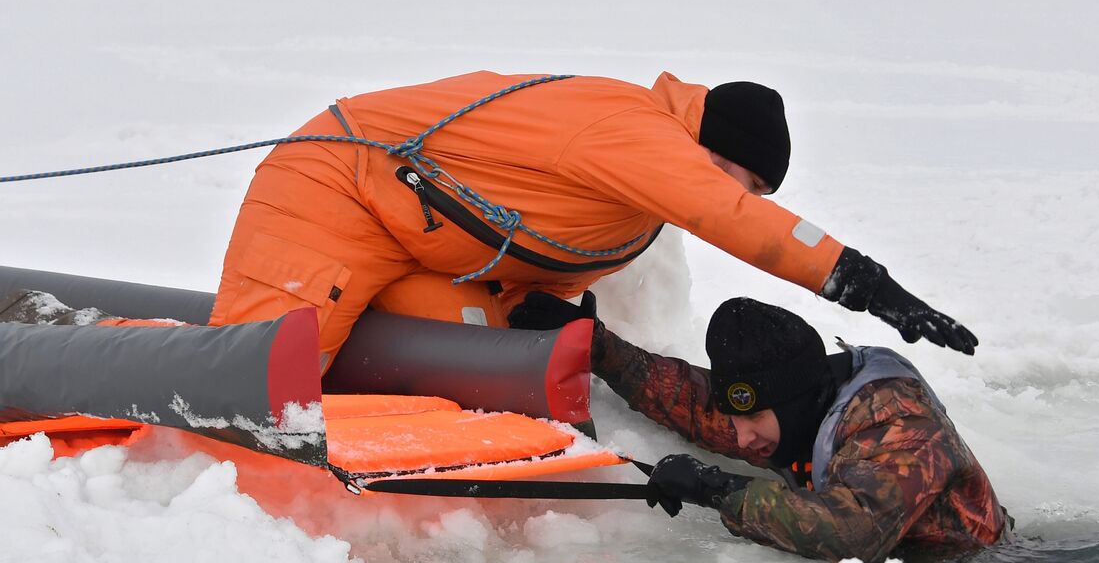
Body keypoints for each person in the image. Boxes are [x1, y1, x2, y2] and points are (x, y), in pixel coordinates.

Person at [208, 70, 978, 371]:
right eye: (736, 176)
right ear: (707, 145)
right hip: (333, 189)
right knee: (256, 377)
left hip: (429, 253)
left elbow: (538, 240)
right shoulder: (632, 131)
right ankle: (110, 385)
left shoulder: (642, 206)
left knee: (484, 372)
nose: (730, 192)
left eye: (749, 186)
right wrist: (861, 281)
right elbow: (725, 214)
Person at [508, 292, 1011, 563]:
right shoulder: (800, 408)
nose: (743, 438)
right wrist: (598, 348)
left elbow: (852, 531)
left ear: (793, 403)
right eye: (739, 419)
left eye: (753, 420)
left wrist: (715, 486)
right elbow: (695, 403)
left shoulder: (899, 424)